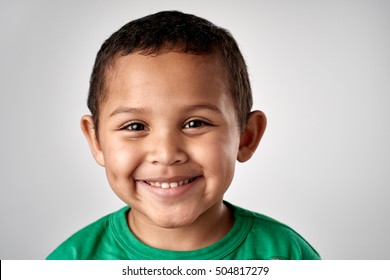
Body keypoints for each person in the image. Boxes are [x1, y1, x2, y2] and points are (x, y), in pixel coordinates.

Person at [47, 10, 320, 260]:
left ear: (246, 136)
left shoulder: (286, 256)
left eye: (195, 123)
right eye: (135, 127)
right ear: (96, 141)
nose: (166, 154)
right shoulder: (72, 262)